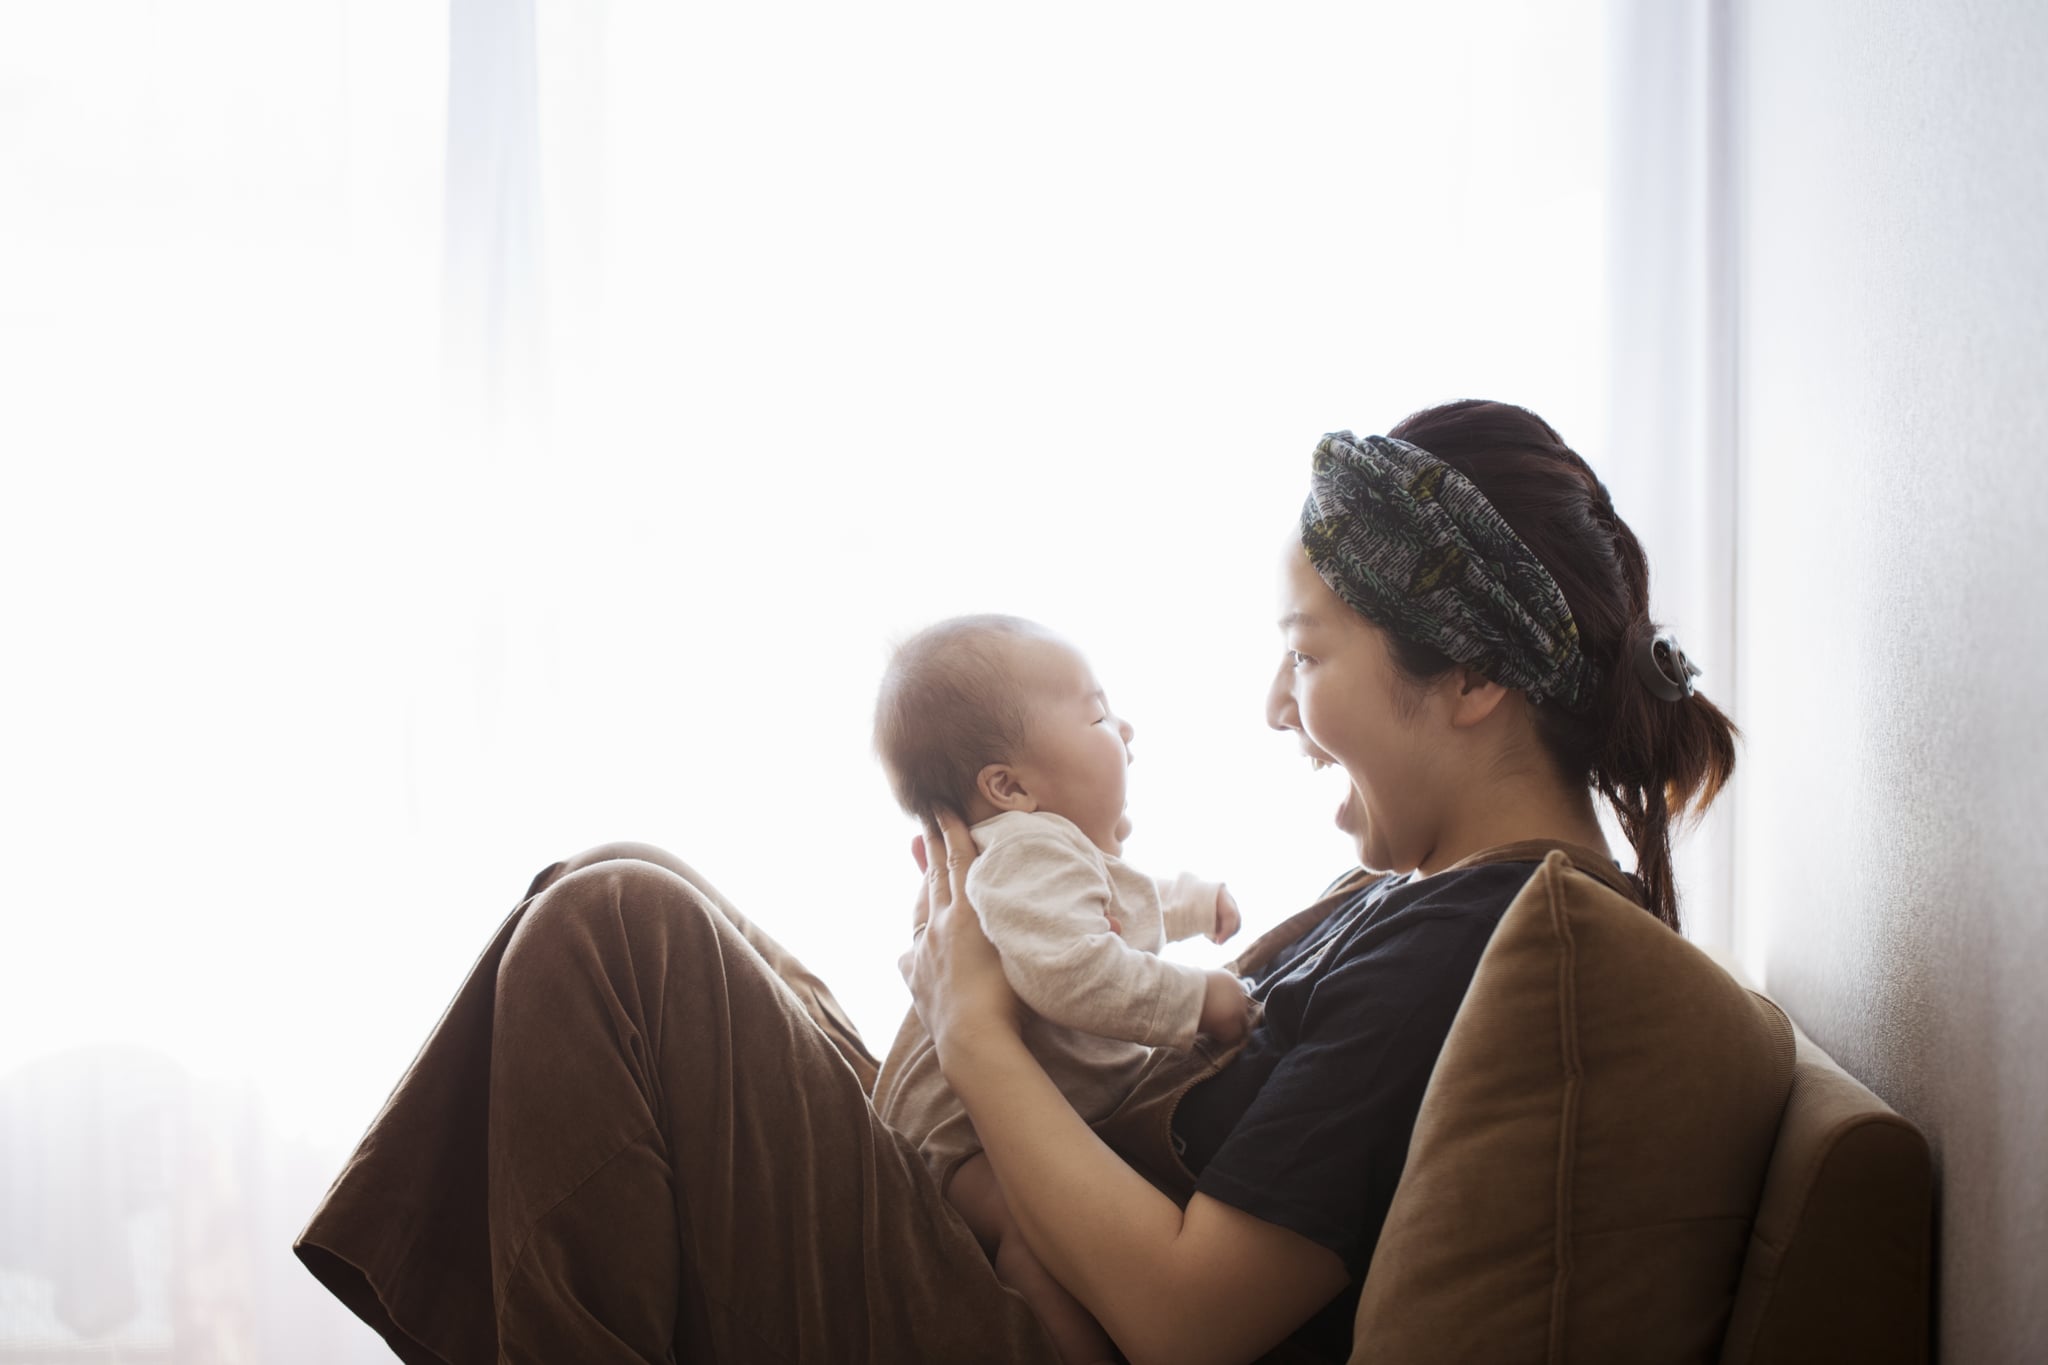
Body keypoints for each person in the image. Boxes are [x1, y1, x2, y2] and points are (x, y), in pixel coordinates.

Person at [294, 399, 1738, 1365]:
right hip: (1013, 1239)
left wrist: (979, 1033)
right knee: (618, 880)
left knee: (619, 938)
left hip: (1044, 1327)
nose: (1274, 707)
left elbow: (1184, 1316)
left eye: (1308, 654)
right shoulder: (1442, 914)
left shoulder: (1481, 945)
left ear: (1472, 675)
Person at [869, 614, 1255, 1364]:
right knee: (1028, 1231)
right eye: (1099, 715)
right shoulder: (1024, 852)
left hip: (981, 1116)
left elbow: (1124, 902)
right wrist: (1194, 998)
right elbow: (1072, 972)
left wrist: (1197, 902)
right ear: (1008, 786)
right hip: (949, 1143)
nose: (1128, 730)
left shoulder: (1044, 852)